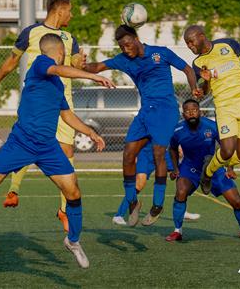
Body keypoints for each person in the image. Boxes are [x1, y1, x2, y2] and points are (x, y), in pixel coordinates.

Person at [0, 34, 115, 268]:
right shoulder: (41, 64)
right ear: (59, 52)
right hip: (21, 142)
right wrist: (92, 76)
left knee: (73, 192)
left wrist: (90, 132)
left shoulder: (57, 84)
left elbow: (67, 115)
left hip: (48, 147)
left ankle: (73, 241)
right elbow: (57, 69)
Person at [83, 25, 198, 226]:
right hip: (145, 112)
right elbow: (98, 67)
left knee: (158, 153)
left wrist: (194, 88)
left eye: (127, 44)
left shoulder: (160, 53)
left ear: (136, 38)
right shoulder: (124, 60)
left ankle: (157, 206)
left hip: (166, 110)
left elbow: (187, 69)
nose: (125, 50)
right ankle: (132, 203)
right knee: (128, 155)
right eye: (121, 47)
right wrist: (80, 66)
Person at [0, 0, 85, 232]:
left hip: (63, 101)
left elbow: (73, 65)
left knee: (67, 150)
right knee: (28, 143)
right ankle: (14, 188)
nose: (72, 16)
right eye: (70, 11)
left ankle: (63, 209)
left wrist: (80, 64)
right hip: (36, 102)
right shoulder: (31, 32)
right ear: (59, 10)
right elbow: (12, 60)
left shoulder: (69, 38)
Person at [183, 25, 240, 194]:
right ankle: (207, 173)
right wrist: (206, 82)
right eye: (187, 44)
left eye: (191, 42)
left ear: (201, 36)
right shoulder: (197, 63)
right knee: (228, 150)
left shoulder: (228, 44)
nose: (189, 46)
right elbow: (204, 91)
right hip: (224, 106)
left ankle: (214, 163)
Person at [166, 99, 240, 241]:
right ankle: (177, 231)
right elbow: (172, 149)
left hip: (213, 167)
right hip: (190, 167)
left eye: (194, 110)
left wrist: (230, 167)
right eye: (187, 111)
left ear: (200, 111)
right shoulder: (177, 130)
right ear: (183, 114)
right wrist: (175, 169)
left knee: (236, 201)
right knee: (181, 192)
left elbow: (227, 149)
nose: (191, 113)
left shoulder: (211, 126)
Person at [112, 141, 200, 226]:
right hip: (147, 153)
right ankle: (119, 215)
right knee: (139, 184)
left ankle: (182, 211)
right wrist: (133, 152)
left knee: (179, 175)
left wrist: (179, 146)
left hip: (163, 151)